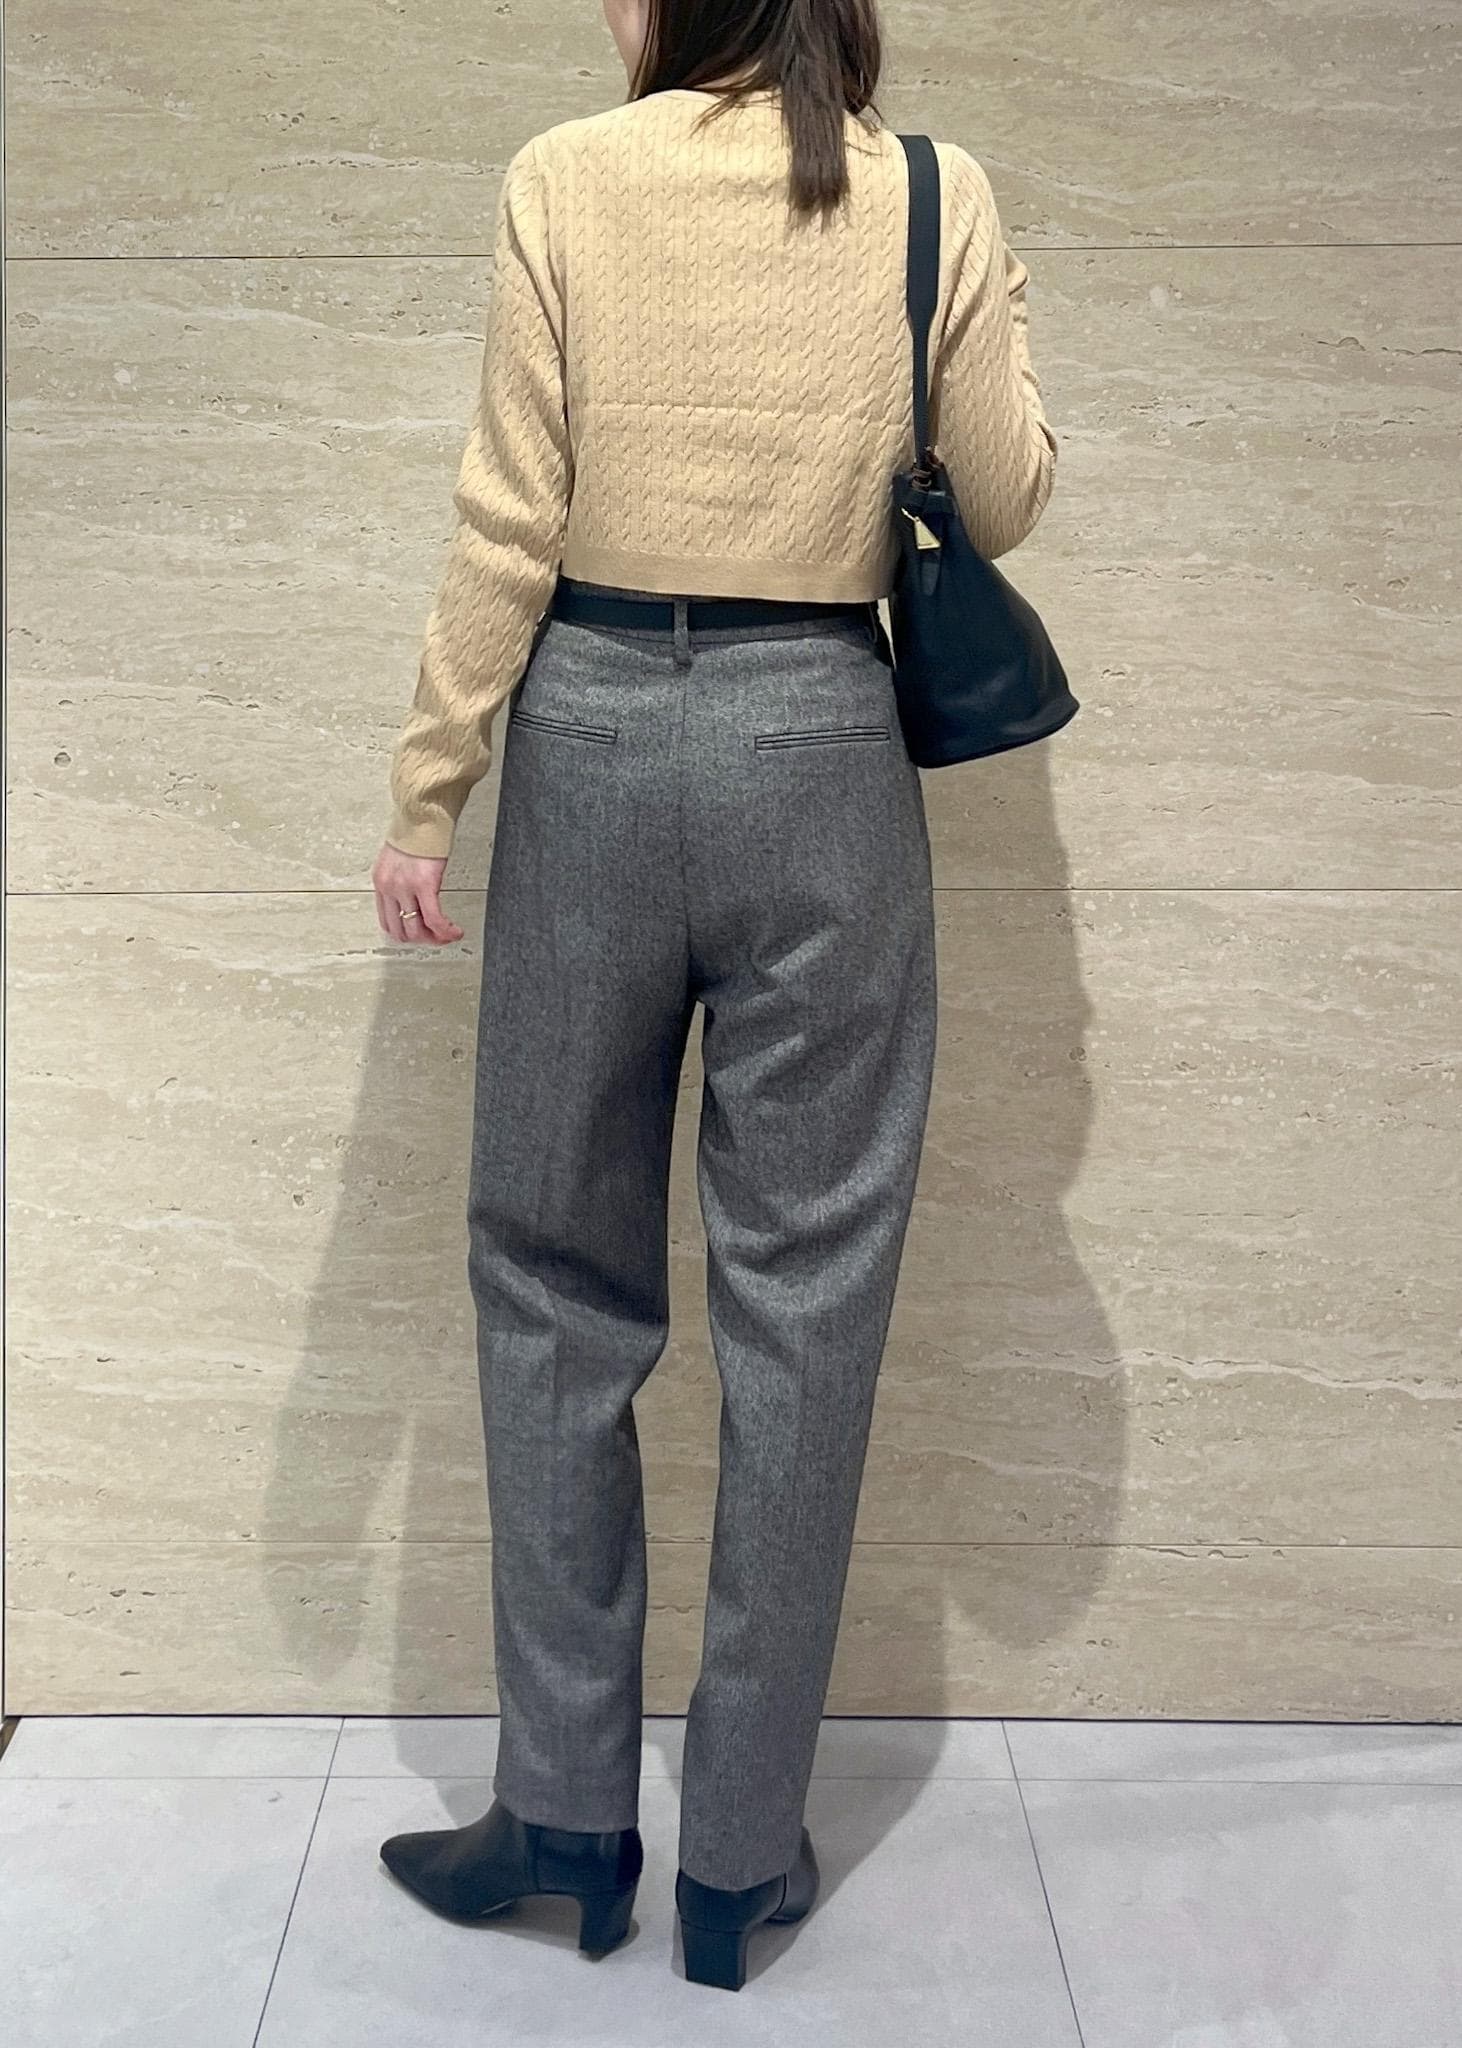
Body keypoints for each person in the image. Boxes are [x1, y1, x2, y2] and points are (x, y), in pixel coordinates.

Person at [371, 0, 1058, 1993]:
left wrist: (430, 781)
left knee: (548, 1278)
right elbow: (1005, 496)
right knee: (805, 1308)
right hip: (819, 748)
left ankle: (562, 1819)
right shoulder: (927, 191)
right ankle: (738, 1858)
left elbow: (510, 513)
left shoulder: (565, 178)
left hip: (588, 736)